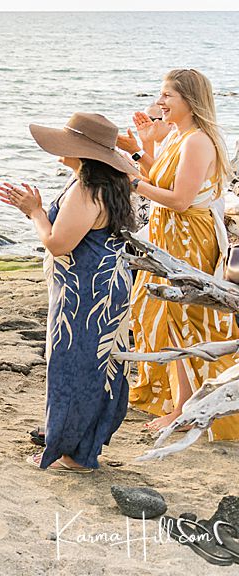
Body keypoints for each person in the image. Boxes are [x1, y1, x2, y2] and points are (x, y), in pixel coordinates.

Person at [0, 112, 137, 472]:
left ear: (82, 152)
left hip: (86, 292)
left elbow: (58, 243)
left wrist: (33, 212)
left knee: (72, 367)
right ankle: (81, 447)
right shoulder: (112, 184)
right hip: (107, 286)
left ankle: (71, 452)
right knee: (100, 367)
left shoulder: (86, 188)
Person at [126, 69, 239, 439]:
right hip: (167, 234)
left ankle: (185, 409)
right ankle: (180, 402)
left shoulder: (198, 142)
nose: (159, 103)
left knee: (186, 317)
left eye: (166, 97)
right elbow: (162, 182)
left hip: (189, 235)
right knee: (163, 313)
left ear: (189, 101)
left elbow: (180, 199)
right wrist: (143, 150)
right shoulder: (179, 136)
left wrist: (132, 181)